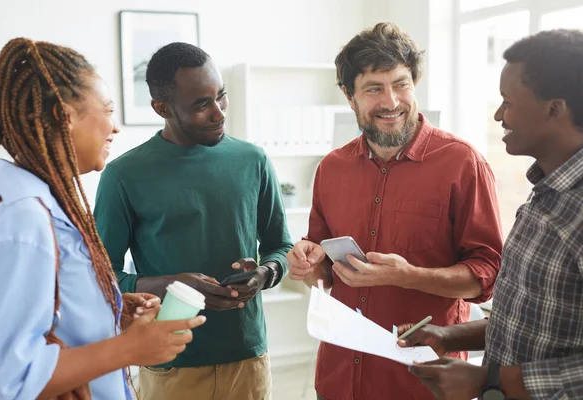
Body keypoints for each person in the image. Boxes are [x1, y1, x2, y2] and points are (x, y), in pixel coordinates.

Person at [286, 23, 504, 400]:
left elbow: (487, 277)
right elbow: (325, 274)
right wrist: (307, 265)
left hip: (420, 382)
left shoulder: (462, 163)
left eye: (401, 84)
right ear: (349, 96)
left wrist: (408, 275)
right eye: (373, 88)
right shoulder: (331, 168)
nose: (391, 102)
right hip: (338, 379)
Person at [0, 38, 206, 399]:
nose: (114, 128)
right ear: (64, 116)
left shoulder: (48, 205)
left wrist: (111, 313)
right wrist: (130, 350)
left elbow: (47, 319)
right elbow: (1, 376)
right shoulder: (22, 220)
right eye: (107, 110)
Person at [93, 42, 293, 400]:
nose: (219, 113)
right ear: (162, 108)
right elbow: (100, 277)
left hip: (247, 357)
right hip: (170, 364)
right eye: (202, 104)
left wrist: (264, 274)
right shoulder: (123, 175)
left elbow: (281, 247)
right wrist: (171, 285)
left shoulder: (253, 161)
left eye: (221, 97)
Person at [402, 28, 583, 400]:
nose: (499, 115)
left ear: (554, 109)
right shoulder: (544, 197)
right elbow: (530, 322)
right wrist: (447, 335)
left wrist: (493, 381)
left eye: (507, 102)